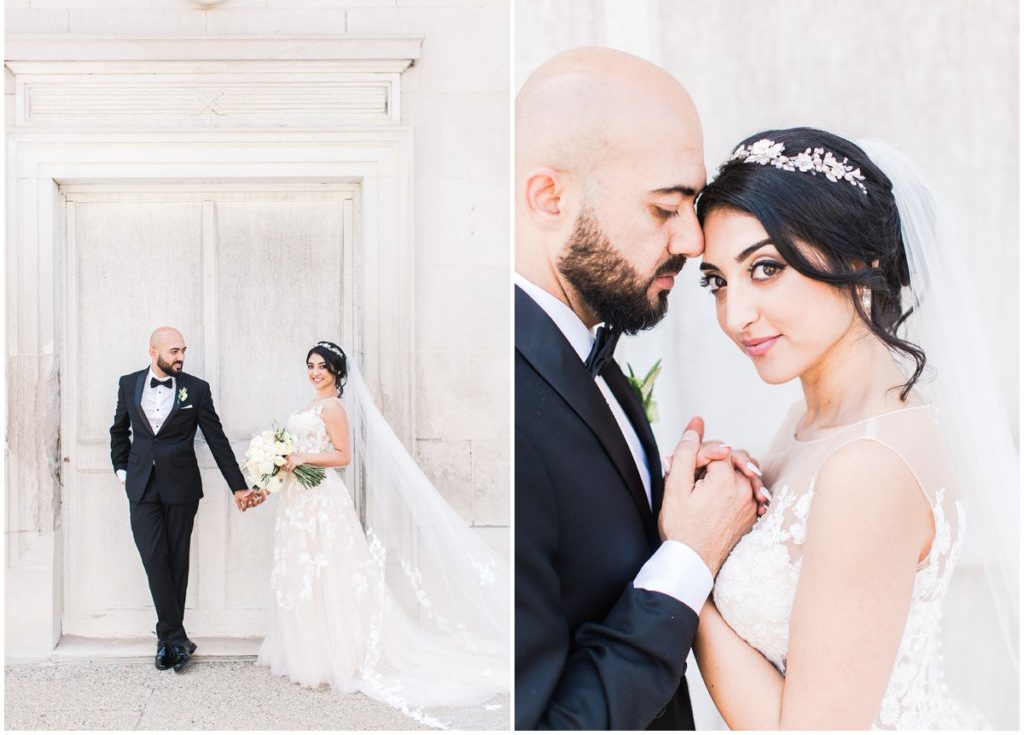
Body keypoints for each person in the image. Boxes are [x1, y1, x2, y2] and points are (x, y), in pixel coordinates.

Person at [692, 128, 1019, 728]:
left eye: (765, 268)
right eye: (716, 281)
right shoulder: (811, 422)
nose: (734, 315)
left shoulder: (869, 463)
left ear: (860, 259)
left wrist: (682, 569)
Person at [514, 47, 769, 730]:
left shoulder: (583, 349)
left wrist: (678, 510)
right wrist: (689, 558)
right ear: (549, 198)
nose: (692, 241)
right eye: (666, 208)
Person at [256, 342, 508, 729]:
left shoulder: (333, 408)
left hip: (321, 501)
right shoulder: (306, 407)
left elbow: (342, 456)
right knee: (303, 573)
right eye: (310, 365)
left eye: (323, 366)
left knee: (330, 570)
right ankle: (308, 651)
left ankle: (339, 654)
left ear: (338, 372)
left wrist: (301, 458)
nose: (315, 372)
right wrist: (274, 467)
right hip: (296, 501)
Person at [109, 326, 263, 673]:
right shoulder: (128, 383)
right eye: (174, 351)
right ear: (154, 351)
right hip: (141, 486)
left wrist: (238, 486)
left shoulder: (196, 388)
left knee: (176, 560)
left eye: (184, 351)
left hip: (181, 487)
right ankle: (175, 637)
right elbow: (118, 431)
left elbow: (217, 439)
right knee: (153, 555)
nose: (180, 357)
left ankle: (169, 642)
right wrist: (122, 471)